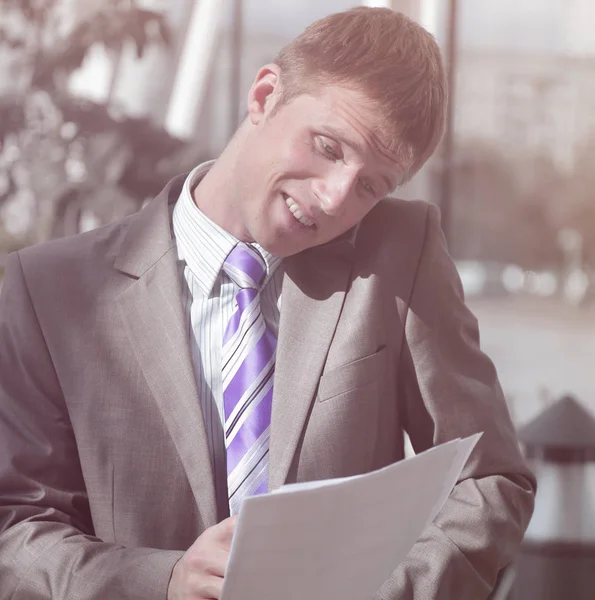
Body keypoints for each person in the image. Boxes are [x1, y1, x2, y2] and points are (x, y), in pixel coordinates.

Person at [0, 7, 535, 600]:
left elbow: (489, 478)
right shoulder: (49, 290)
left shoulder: (397, 259)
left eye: (370, 186)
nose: (335, 199)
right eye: (328, 146)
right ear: (264, 96)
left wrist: (387, 592)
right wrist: (163, 581)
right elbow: (17, 527)